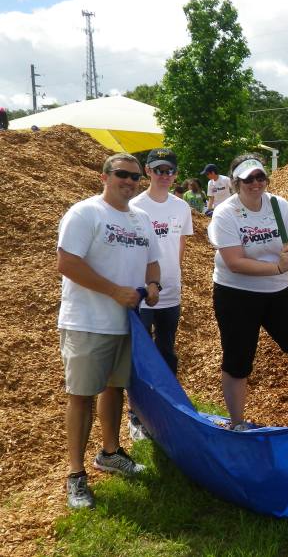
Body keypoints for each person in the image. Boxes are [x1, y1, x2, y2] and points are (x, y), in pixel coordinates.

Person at [57, 153, 161, 509]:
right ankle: (75, 475)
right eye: (122, 174)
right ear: (104, 177)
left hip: (126, 323)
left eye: (135, 177)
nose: (129, 182)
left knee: (115, 388)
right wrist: (114, 291)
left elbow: (152, 261)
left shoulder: (141, 218)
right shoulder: (85, 213)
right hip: (87, 321)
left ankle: (110, 453)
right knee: (81, 396)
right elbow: (67, 263)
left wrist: (153, 284)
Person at [207, 154, 288, 431]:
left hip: (278, 289)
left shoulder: (278, 205)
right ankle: (237, 422)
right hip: (236, 293)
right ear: (236, 182)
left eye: (260, 177)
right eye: (248, 179)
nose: (255, 183)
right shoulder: (226, 212)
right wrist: (277, 267)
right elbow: (234, 262)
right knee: (238, 358)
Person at [130, 148, 192, 382]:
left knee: (167, 348)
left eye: (169, 171)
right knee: (141, 351)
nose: (164, 175)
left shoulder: (181, 207)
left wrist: (175, 273)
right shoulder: (135, 206)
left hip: (171, 291)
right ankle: (140, 402)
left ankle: (169, 396)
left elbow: (181, 243)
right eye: (159, 170)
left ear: (176, 174)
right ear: (148, 171)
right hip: (142, 290)